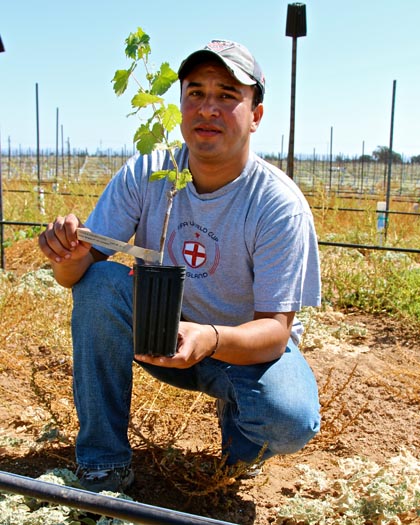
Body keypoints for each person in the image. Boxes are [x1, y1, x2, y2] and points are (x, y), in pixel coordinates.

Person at [38, 39, 321, 493]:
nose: (208, 108)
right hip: (160, 337)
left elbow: (274, 332)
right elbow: (77, 278)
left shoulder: (278, 205)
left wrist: (209, 340)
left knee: (290, 418)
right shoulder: (148, 173)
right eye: (196, 93)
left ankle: (239, 442)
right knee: (100, 281)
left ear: (256, 116)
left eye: (227, 95)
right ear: (181, 104)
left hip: (241, 352)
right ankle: (102, 463)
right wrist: (67, 258)